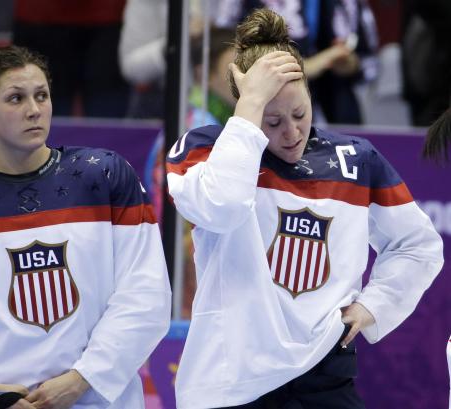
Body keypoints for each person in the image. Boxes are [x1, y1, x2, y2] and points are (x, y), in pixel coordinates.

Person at [166, 9, 443, 409]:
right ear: (247, 110)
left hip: (325, 375)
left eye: (300, 113)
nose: (292, 132)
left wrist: (374, 305)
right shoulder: (205, 149)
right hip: (230, 380)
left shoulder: (354, 159)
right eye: (272, 121)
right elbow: (223, 206)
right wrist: (249, 109)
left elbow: (418, 245)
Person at [0, 45, 171, 409]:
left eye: (41, 96)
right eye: (16, 98)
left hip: (95, 400)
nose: (34, 109)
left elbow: (146, 294)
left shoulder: (105, 175)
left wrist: (83, 378)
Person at [208, 0, 379, 124]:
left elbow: (369, 62)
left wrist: (351, 65)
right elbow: (224, 52)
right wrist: (309, 66)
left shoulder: (350, 3)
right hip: (264, 114)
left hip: (336, 112)